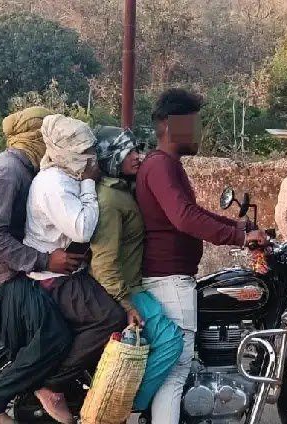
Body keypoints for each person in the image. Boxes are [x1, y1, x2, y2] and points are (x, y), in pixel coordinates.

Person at [135, 88, 267, 424]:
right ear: (168, 125)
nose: (197, 132)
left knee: (178, 368)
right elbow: (184, 218)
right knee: (175, 371)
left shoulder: (166, 165)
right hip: (169, 280)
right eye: (192, 124)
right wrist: (239, 237)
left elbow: (192, 212)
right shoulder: (160, 166)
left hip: (171, 279)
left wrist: (239, 225)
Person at [0, 107, 80, 424]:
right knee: (54, 336)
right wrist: (44, 260)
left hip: (11, 272)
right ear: (36, 137)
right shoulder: (7, 171)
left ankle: (40, 386)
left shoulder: (22, 169)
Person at [22, 114, 126, 423]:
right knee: (112, 318)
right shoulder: (54, 183)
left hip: (69, 272)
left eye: (91, 150)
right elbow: (82, 229)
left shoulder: (67, 176)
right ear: (63, 151)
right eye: (83, 152)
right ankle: (52, 385)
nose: (90, 158)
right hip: (54, 278)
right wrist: (90, 184)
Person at [89, 126, 183, 413]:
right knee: (171, 341)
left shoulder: (121, 190)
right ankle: (128, 406)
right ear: (111, 156)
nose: (137, 156)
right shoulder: (109, 199)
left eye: (136, 150)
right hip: (127, 288)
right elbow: (103, 261)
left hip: (134, 284)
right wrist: (125, 302)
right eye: (128, 151)